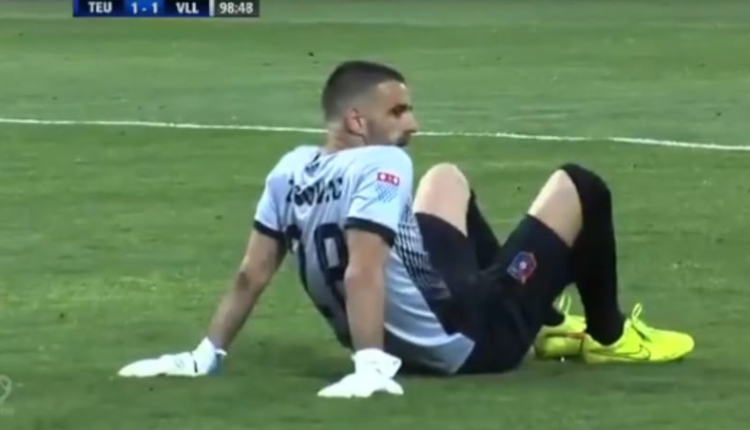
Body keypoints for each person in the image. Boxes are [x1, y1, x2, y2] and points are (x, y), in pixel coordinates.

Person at [118, 60, 694, 398]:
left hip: (412, 320)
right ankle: (611, 337)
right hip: (467, 344)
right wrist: (370, 368)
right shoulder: (384, 163)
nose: (413, 124)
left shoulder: (289, 169)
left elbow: (252, 274)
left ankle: (543, 321)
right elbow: (363, 269)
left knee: (446, 177)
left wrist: (205, 353)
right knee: (580, 186)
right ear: (356, 120)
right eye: (398, 113)